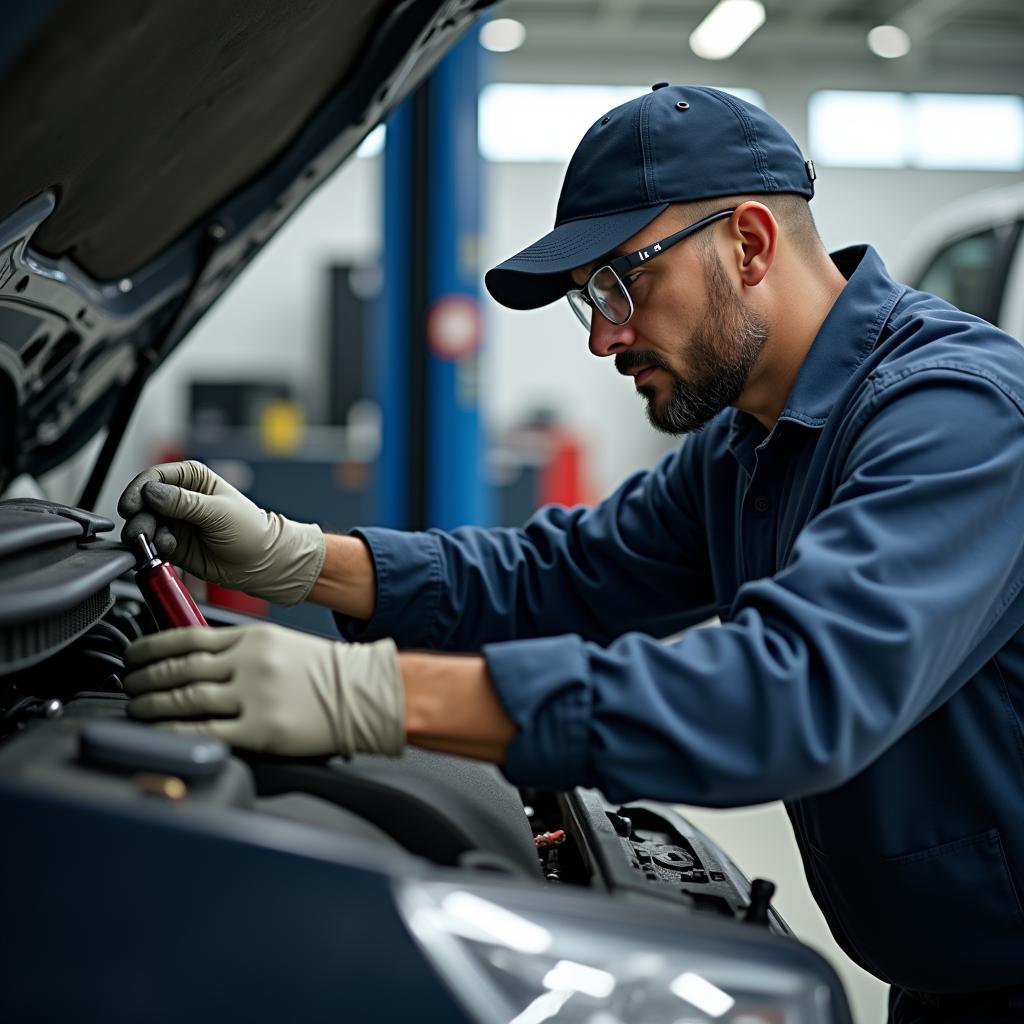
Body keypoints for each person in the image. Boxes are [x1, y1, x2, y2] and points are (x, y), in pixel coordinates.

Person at [119, 84, 1024, 1019]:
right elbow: (566, 574)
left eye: (620, 283)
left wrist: (370, 699)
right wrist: (298, 557)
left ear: (749, 243)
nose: (602, 335)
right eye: (587, 300)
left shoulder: (959, 418)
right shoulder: (749, 443)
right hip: (949, 982)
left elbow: (788, 694)